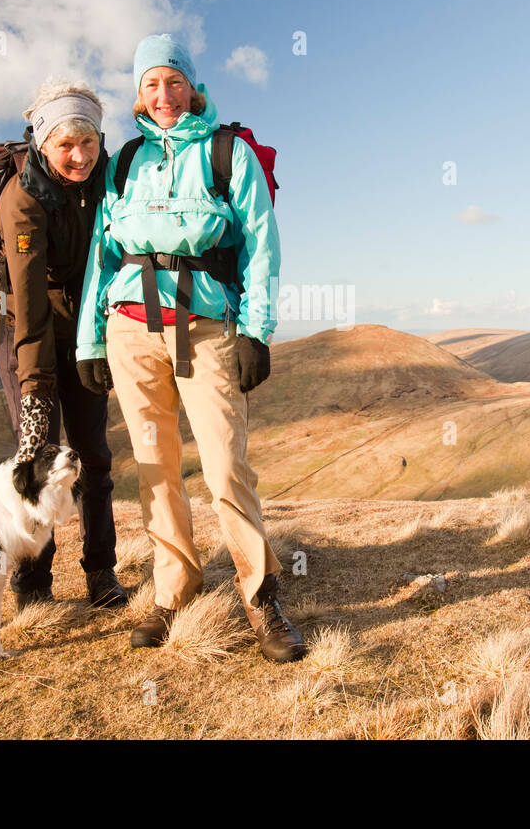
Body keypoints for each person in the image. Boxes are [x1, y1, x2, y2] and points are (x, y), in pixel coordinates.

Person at [75, 34, 305, 662]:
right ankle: (173, 591)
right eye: (150, 84)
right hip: (129, 324)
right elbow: (102, 252)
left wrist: (257, 331)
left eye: (173, 81)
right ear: (139, 95)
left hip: (205, 326)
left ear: (193, 87)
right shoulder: (123, 162)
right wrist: (90, 340)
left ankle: (260, 597)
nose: (163, 94)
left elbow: (261, 244)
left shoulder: (228, 154)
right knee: (155, 466)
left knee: (226, 464)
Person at [0, 78, 126, 611]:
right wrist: (37, 385)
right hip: (25, 329)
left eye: (88, 142)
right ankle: (33, 586)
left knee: (94, 456)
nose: (79, 155)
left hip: (84, 329)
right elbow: (27, 300)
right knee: (38, 456)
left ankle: (101, 574)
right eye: (65, 144)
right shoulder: (22, 198)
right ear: (43, 144)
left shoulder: (106, 180)